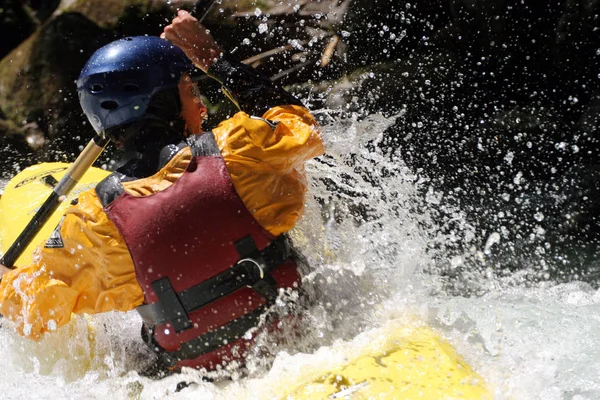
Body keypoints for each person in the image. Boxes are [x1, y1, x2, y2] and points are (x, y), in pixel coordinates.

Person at [0, 10, 323, 375]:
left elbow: (32, 308)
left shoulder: (94, 222)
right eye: (191, 90)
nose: (201, 105)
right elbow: (299, 124)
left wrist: (5, 282)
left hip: (199, 381)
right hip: (307, 339)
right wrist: (217, 62)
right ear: (162, 103)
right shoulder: (240, 152)